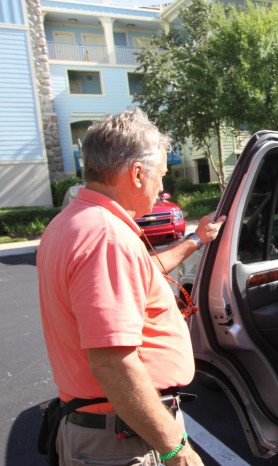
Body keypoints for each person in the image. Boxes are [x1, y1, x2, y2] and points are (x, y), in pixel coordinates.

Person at [37, 108, 226, 466]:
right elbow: (113, 364)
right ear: (138, 174)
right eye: (160, 175)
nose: (162, 186)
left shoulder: (72, 223)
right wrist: (175, 449)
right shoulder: (106, 236)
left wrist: (195, 241)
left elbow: (140, 274)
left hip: (105, 429)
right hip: (121, 440)